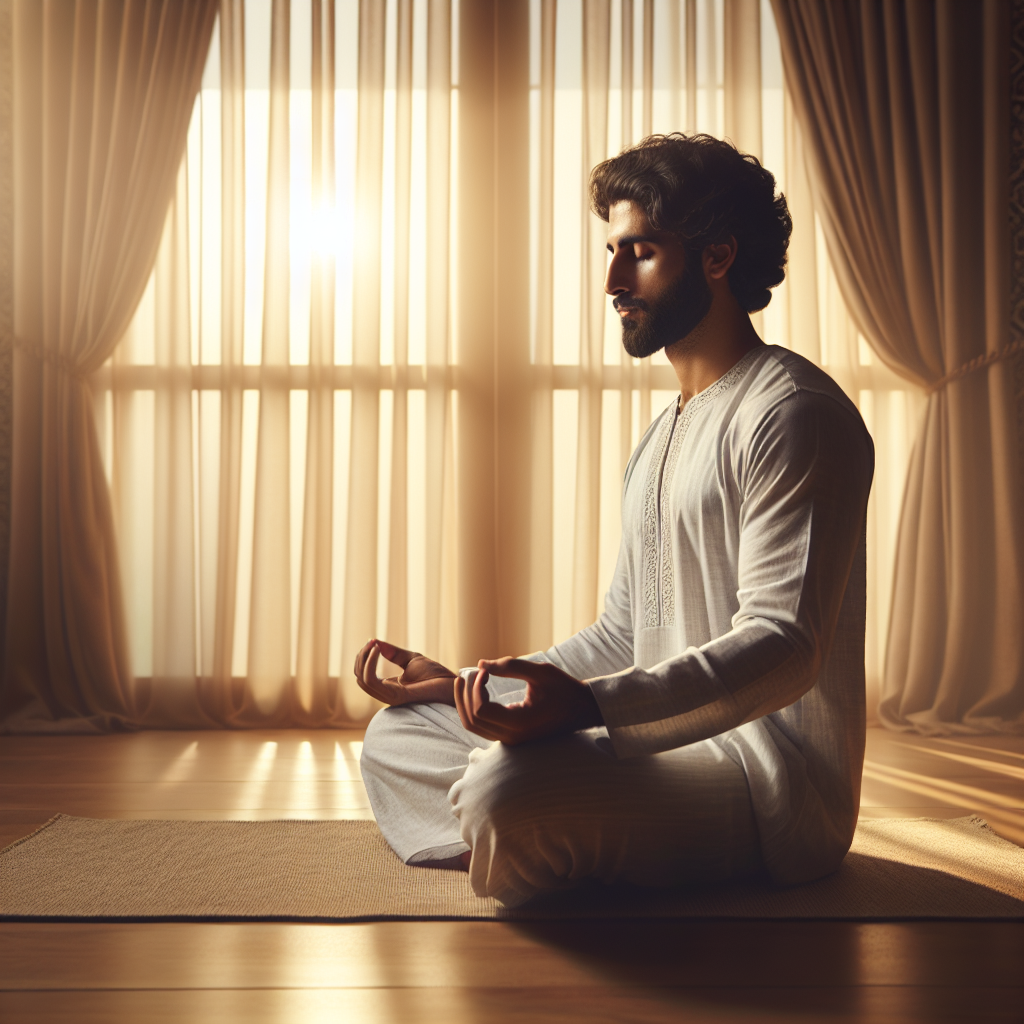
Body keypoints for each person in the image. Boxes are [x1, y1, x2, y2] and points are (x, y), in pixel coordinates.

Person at [355, 133, 874, 908]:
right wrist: (470, 686)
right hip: (652, 746)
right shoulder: (663, 435)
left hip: (765, 782)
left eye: (640, 252)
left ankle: (524, 827)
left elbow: (785, 647)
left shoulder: (794, 414)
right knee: (399, 734)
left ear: (718, 257)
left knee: (502, 788)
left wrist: (592, 710)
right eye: (611, 252)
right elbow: (622, 636)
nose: (612, 280)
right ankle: (540, 835)